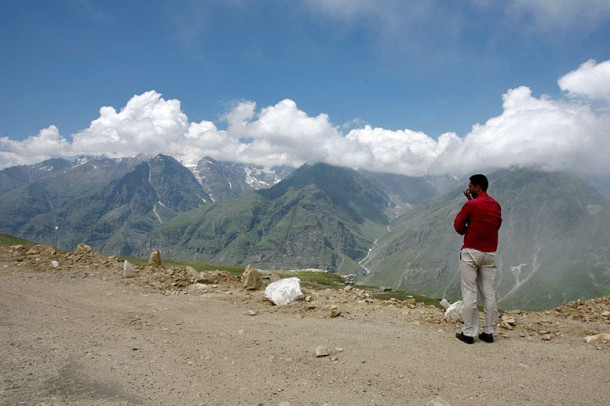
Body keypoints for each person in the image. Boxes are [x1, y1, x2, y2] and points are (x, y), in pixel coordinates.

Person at [453, 174, 502, 344]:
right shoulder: (495, 205)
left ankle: (468, 333)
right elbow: (495, 225)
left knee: (469, 292)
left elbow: (458, 227)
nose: (469, 188)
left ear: (477, 187)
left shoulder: (471, 205)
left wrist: (469, 225)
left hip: (471, 253)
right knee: (488, 293)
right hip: (489, 254)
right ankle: (488, 332)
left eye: (470, 186)